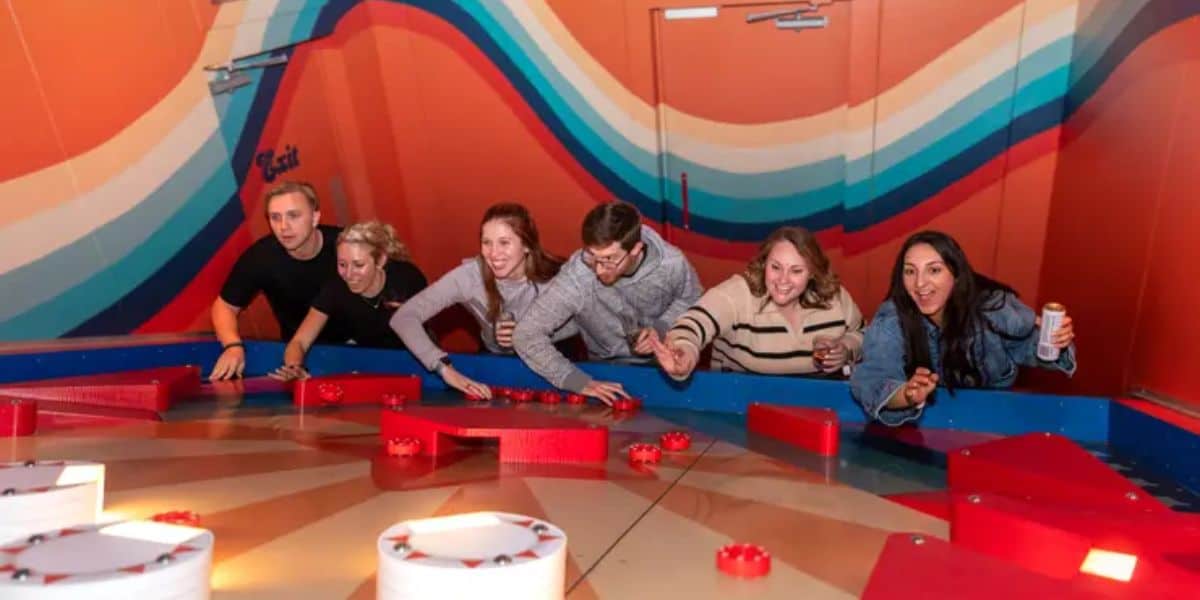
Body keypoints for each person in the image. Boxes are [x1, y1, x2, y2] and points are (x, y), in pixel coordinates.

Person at [850, 230, 1077, 426]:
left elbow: (1033, 348)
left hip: (991, 423)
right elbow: (872, 379)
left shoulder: (993, 308)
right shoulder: (891, 318)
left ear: (956, 275)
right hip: (924, 429)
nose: (920, 284)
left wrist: (1056, 340)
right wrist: (907, 395)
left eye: (934, 270)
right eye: (910, 271)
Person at [513, 201, 703, 404]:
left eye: (610, 259)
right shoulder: (577, 276)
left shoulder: (671, 264)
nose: (599, 270)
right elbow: (526, 334)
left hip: (666, 370)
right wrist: (579, 382)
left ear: (636, 249)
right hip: (604, 370)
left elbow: (692, 299)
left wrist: (662, 328)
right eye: (593, 257)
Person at [390, 203, 575, 398]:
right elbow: (404, 317)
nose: (494, 254)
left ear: (527, 245)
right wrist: (443, 368)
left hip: (556, 365)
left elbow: (584, 323)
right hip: (495, 367)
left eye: (504, 242)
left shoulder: (559, 278)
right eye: (487, 243)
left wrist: (531, 332)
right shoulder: (470, 276)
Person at [650, 226, 863, 380]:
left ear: (813, 273)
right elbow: (693, 324)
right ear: (763, 264)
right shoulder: (738, 293)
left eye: (796, 271)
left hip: (817, 408)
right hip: (740, 408)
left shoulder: (835, 297)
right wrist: (684, 352)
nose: (783, 280)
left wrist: (846, 348)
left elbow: (863, 334)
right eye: (775, 267)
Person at [210, 182, 347, 380]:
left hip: (360, 351)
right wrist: (233, 346)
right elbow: (225, 306)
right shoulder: (261, 257)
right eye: (275, 217)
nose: (284, 226)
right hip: (296, 357)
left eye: (293, 216)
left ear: (315, 217)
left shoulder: (347, 246)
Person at [272, 221, 427, 380]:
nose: (349, 274)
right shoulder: (335, 288)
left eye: (358, 265)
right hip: (363, 361)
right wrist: (294, 368)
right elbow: (299, 341)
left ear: (380, 260)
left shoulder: (407, 280)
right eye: (342, 264)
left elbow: (426, 336)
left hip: (412, 362)